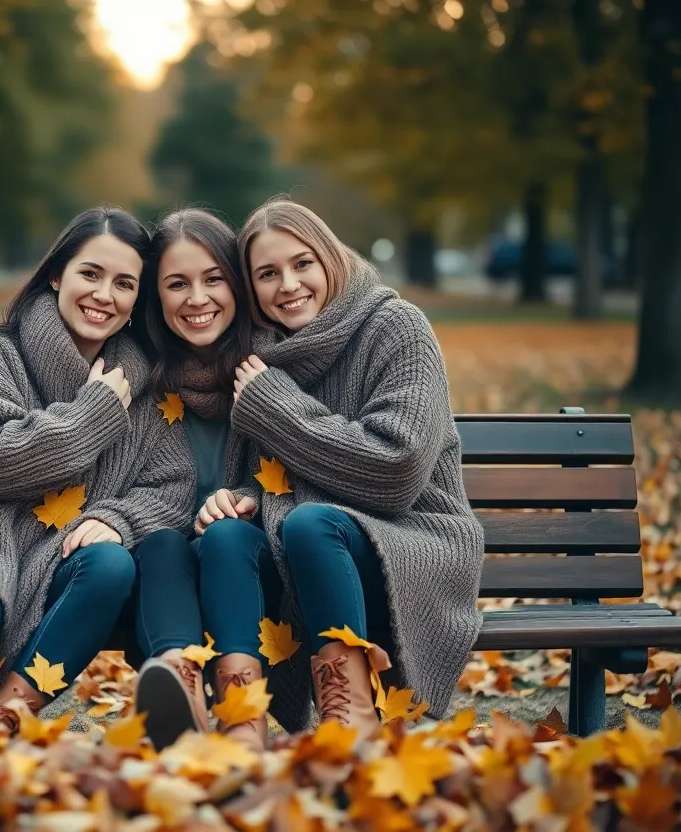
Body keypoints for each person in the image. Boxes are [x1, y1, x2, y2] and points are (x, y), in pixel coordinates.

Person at [0, 206, 194, 730]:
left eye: (124, 284)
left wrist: (117, 520)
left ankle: (0, 721)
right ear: (56, 275)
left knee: (111, 565)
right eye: (90, 274)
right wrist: (93, 415)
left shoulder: (145, 384)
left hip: (61, 554)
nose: (104, 295)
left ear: (137, 299)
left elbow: (171, 486)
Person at [196, 196, 485, 739]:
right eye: (267, 273)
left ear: (330, 258)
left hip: (409, 540)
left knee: (311, 522)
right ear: (250, 287)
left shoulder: (397, 327)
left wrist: (277, 409)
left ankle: (349, 716)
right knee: (228, 536)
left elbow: (396, 471)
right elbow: (268, 475)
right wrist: (239, 497)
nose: (288, 285)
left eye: (302, 263)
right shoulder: (260, 353)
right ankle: (241, 718)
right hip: (304, 546)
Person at [129, 207, 310, 752]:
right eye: (176, 284)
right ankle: (181, 694)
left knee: (227, 536)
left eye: (213, 279)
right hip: (163, 579)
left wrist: (249, 499)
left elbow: (308, 474)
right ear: (155, 296)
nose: (197, 298)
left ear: (237, 285)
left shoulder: (274, 366)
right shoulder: (138, 377)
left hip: (254, 571)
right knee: (161, 543)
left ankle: (242, 716)